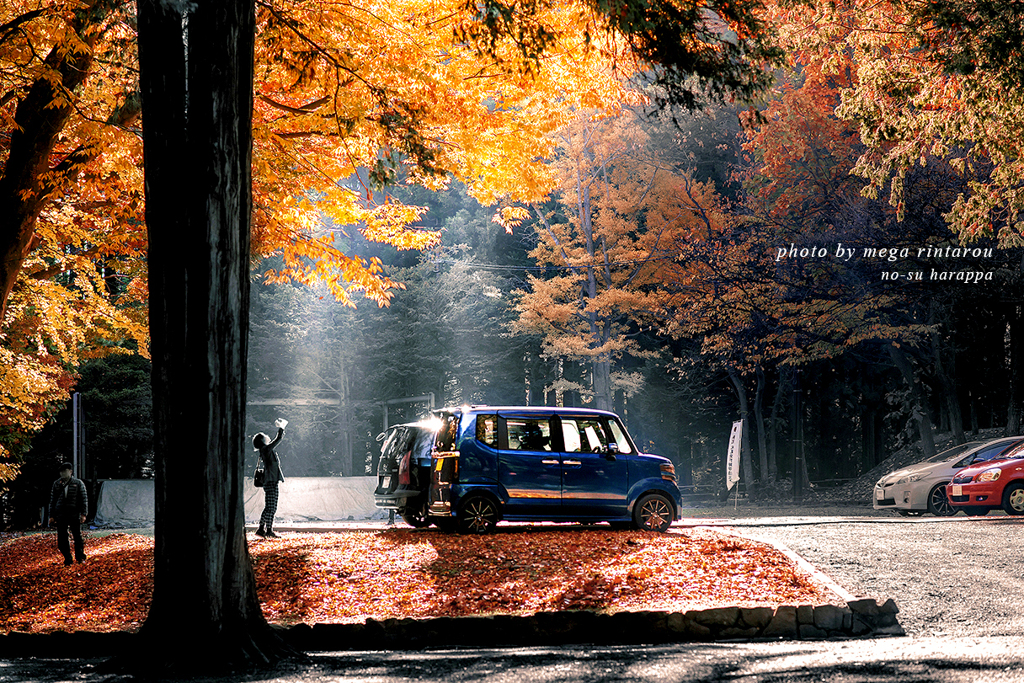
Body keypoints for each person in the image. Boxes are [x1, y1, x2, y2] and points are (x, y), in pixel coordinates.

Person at [48, 462, 88, 565]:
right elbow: (52, 500)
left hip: (74, 513)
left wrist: (84, 514)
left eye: (65, 471)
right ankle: (67, 558)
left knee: (77, 536)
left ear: (70, 472)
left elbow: (84, 499)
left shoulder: (78, 483)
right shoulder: (57, 484)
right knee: (62, 537)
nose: (63, 474)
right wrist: (51, 515)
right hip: (61, 513)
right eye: (61, 472)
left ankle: (80, 557)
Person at [253, 418, 287, 538]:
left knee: (269, 506)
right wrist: (281, 428)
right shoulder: (266, 449)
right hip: (271, 481)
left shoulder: (264, 450)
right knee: (271, 507)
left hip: (270, 480)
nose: (267, 437)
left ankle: (263, 529)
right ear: (262, 441)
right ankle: (267, 530)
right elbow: (278, 439)